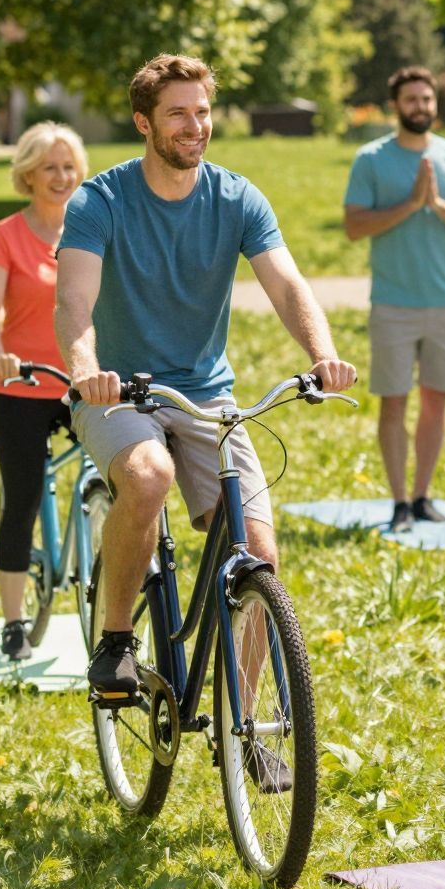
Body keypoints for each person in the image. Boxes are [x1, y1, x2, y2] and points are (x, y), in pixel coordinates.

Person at [56, 53, 356, 721]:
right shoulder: (100, 201)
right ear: (143, 122)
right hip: (120, 392)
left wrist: (323, 353)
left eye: (203, 112)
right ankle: (115, 642)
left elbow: (285, 283)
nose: (195, 126)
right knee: (148, 472)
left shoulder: (237, 197)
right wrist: (84, 368)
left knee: (260, 551)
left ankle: (245, 722)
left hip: (206, 393)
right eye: (178, 114)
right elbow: (74, 301)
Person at [344, 67, 445, 533]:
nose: (421, 107)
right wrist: (409, 204)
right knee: (394, 402)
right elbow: (354, 226)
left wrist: (435, 205)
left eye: (427, 99)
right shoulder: (371, 159)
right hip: (393, 304)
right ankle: (399, 502)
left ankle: (423, 495)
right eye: (412, 100)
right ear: (396, 105)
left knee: (436, 403)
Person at [0, 121, 88, 661]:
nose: (62, 176)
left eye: (69, 166)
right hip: (19, 386)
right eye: (50, 167)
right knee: (20, 500)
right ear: (28, 174)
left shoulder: (91, 230)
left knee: (116, 478)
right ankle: (14, 622)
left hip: (80, 383)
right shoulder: (5, 236)